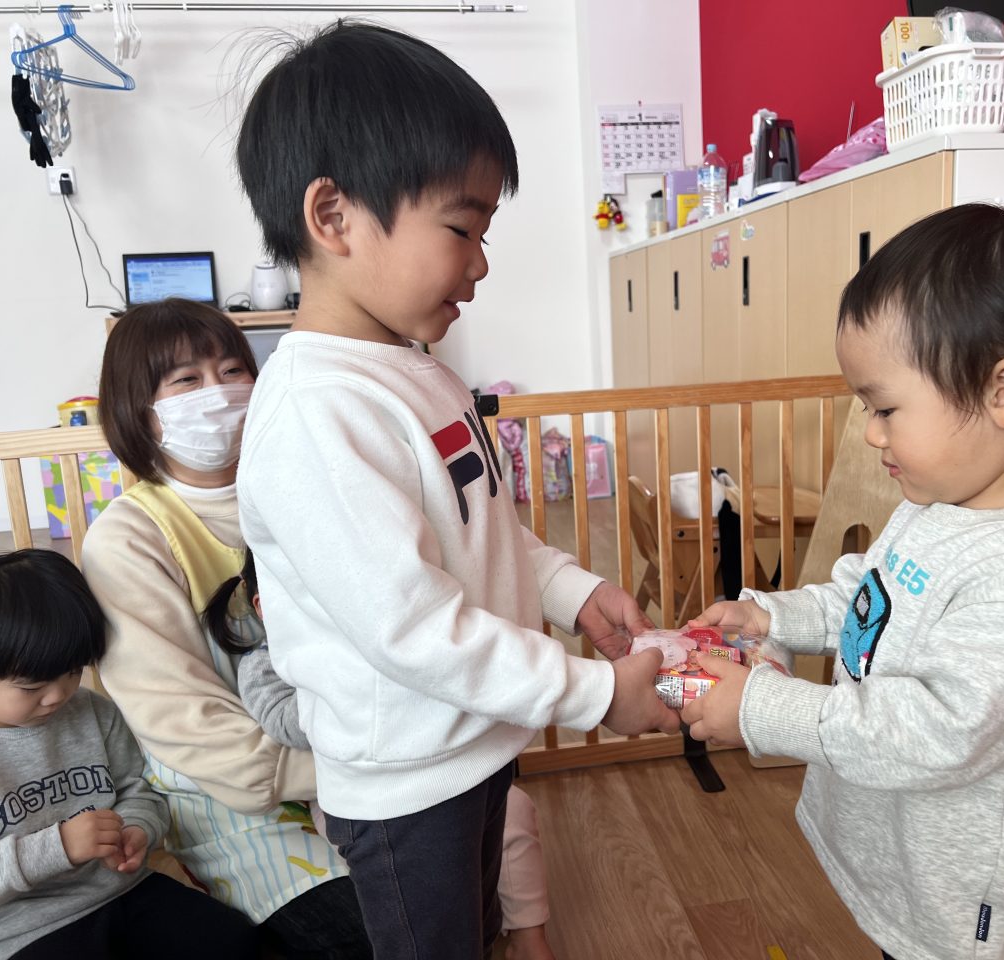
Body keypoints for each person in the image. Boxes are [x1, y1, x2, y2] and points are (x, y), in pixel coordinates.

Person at [233, 21, 678, 958]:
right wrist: (595, 693)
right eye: (461, 229)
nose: (479, 262)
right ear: (333, 216)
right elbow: (413, 627)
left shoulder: (419, 372)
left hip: (471, 744)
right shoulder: (317, 412)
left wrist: (571, 592)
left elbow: (485, 533)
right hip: (405, 782)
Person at [683, 204, 1004, 960]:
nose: (871, 431)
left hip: (982, 925)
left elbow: (933, 733)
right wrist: (773, 620)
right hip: (922, 882)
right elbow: (875, 603)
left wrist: (761, 708)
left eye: (886, 407)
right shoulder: (942, 504)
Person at [81, 299, 369, 957]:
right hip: (237, 797)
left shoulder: (304, 490)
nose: (217, 393)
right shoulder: (129, 538)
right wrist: (347, 766)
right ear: (136, 408)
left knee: (461, 902)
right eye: (186, 380)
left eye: (233, 370)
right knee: (372, 934)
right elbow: (185, 723)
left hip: (360, 754)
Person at [204, 551, 559, 959]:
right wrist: (352, 688)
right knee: (419, 874)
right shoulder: (263, 665)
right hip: (352, 795)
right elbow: (282, 721)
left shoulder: (379, 632)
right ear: (265, 608)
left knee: (513, 810)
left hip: (433, 767)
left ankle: (529, 937)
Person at [0, 550, 257, 960]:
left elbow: (138, 790)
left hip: (121, 891)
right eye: (31, 687)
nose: (58, 695)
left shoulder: (93, 711)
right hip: (11, 931)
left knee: (233, 941)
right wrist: (59, 846)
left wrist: (137, 828)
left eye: (73, 672)